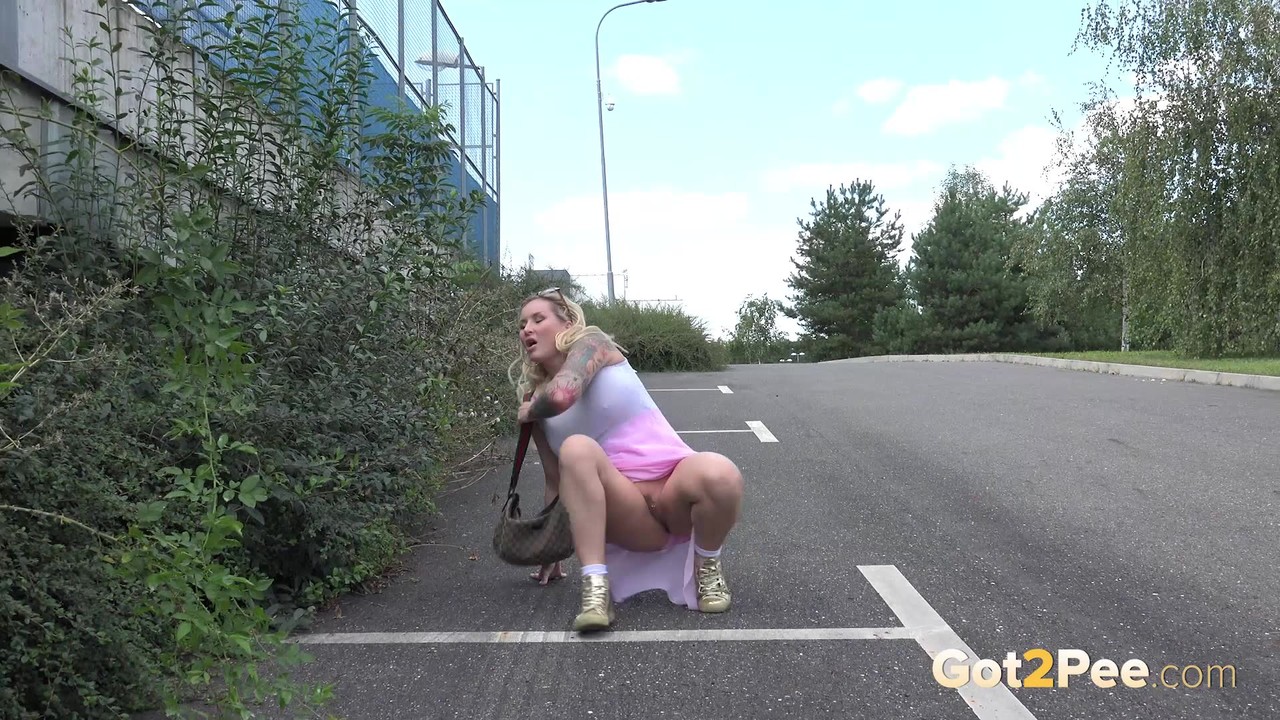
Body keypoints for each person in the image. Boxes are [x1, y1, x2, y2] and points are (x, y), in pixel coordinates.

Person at [508, 287, 745, 632]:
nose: (527, 329)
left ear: (568, 323)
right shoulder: (535, 401)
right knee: (576, 449)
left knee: (720, 472)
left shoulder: (594, 345)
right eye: (522, 324)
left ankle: (706, 568)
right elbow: (555, 480)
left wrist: (531, 410)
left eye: (538, 319)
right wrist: (551, 549)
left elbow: (562, 394)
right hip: (625, 513)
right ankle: (596, 590)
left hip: (673, 491)